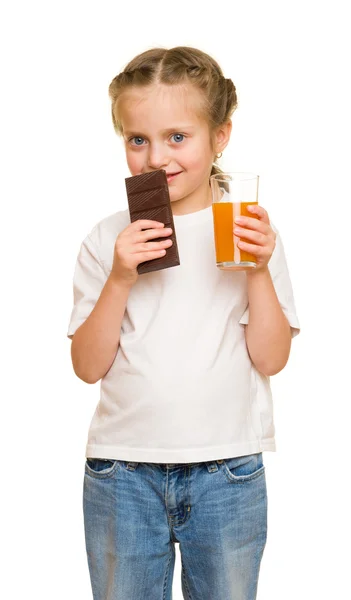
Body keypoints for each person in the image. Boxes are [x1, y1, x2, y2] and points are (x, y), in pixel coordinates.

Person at [67, 46, 300, 600]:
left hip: (228, 470)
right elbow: (85, 366)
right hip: (123, 471)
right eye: (137, 139)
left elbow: (271, 358)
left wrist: (259, 270)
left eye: (178, 137)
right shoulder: (108, 239)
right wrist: (121, 277)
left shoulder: (249, 233)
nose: (155, 159)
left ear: (220, 136)